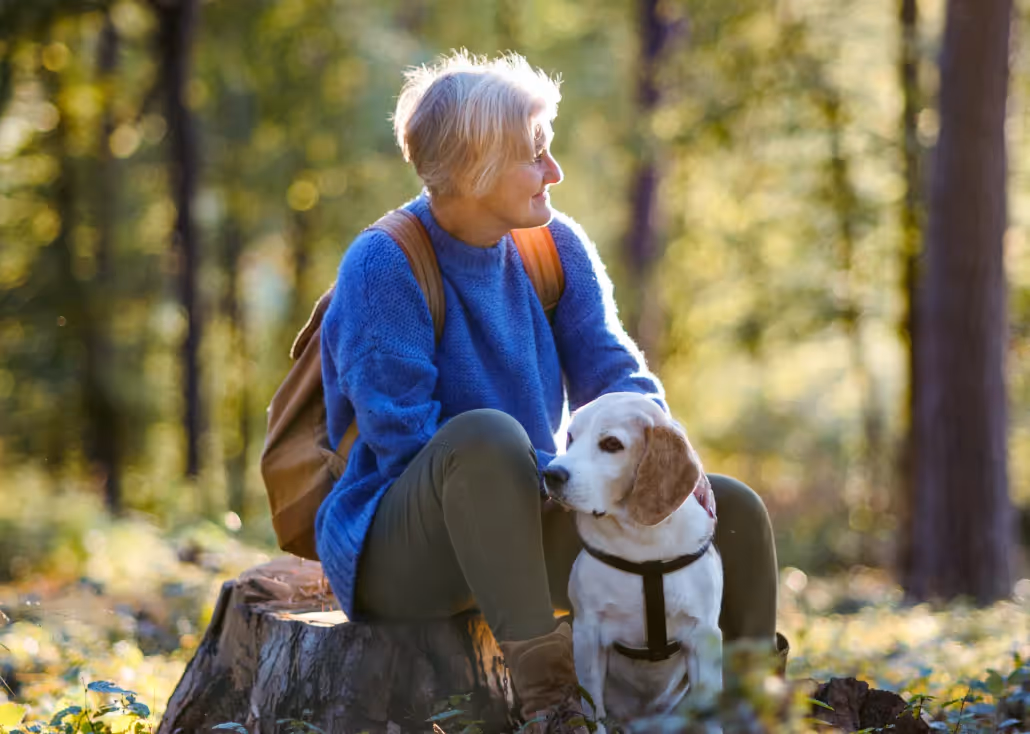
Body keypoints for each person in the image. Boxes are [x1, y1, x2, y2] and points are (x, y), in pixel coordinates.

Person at [314, 50, 781, 733]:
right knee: (487, 437)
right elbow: (402, 439)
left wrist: (665, 461)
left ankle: (751, 708)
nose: (553, 172)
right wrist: (550, 479)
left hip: (530, 514)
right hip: (406, 550)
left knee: (728, 505)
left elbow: (617, 376)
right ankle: (553, 704)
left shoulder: (554, 246)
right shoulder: (385, 262)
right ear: (475, 166)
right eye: (535, 155)